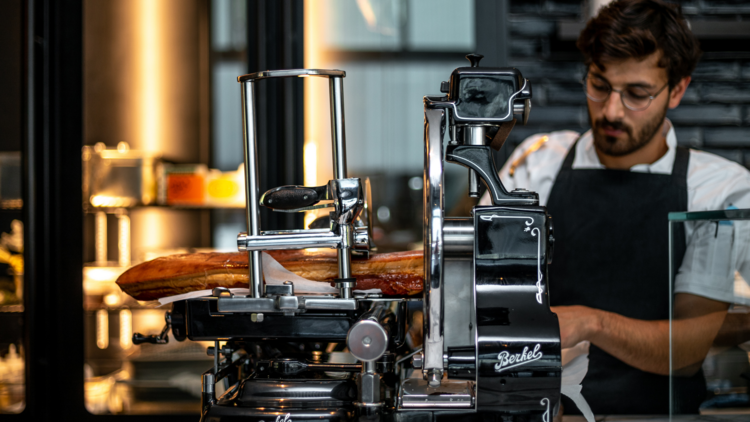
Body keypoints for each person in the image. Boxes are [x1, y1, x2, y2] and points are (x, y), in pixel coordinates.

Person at [481, 0, 750, 414]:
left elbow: (686, 349)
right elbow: (483, 290)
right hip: (539, 409)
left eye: (637, 94)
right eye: (599, 85)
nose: (611, 110)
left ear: (676, 90)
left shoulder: (718, 188)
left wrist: (592, 323)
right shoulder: (540, 161)